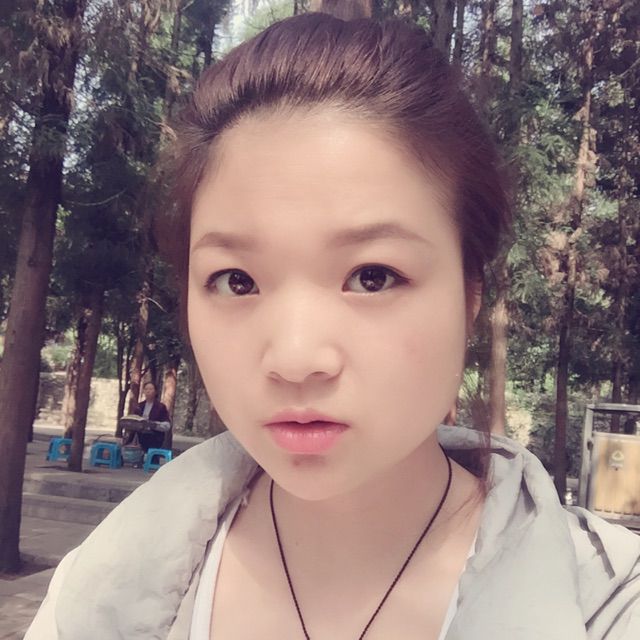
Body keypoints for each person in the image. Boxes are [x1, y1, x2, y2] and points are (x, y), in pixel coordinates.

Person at [25, 10, 640, 640]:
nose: (295, 359)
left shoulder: (608, 606)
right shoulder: (96, 598)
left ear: (469, 297)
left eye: (372, 276)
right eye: (236, 280)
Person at [128, 381, 172, 452]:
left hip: (155, 438)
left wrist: (153, 424)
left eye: (151, 389)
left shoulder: (161, 407)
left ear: (155, 392)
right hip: (141, 438)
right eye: (146, 389)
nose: (148, 391)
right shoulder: (139, 406)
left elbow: (167, 425)